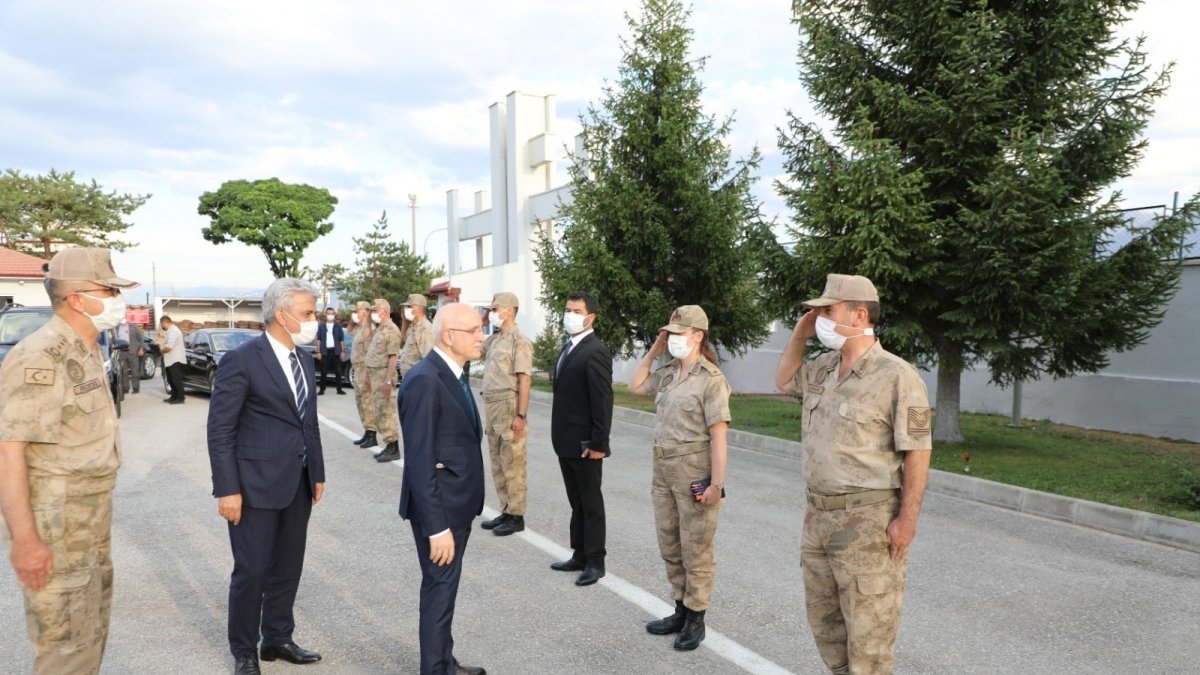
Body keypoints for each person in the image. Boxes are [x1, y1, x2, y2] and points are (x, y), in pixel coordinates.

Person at [774, 273, 932, 675]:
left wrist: (907, 520)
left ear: (859, 314)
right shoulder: (823, 368)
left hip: (868, 523)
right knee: (827, 627)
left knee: (869, 639)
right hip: (819, 518)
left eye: (828, 310)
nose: (819, 318)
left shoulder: (897, 376)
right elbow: (784, 380)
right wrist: (798, 337)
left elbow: (918, 451)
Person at [0, 248, 137, 675]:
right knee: (65, 648)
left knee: (90, 632)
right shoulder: (41, 354)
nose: (118, 299)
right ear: (77, 298)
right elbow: (8, 450)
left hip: (89, 517)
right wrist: (25, 541)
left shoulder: (86, 348)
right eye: (109, 290)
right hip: (57, 521)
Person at [207, 277, 327, 675]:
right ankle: (244, 650)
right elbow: (221, 430)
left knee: (288, 565)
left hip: (298, 480)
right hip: (253, 485)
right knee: (252, 570)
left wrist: (318, 473)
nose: (315, 320)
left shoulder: (303, 359)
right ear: (282, 314)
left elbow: (307, 422)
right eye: (308, 313)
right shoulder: (242, 361)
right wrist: (227, 489)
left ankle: (276, 638)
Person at [628, 305, 729, 651]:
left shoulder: (711, 379)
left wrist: (716, 484)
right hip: (663, 471)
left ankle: (696, 618)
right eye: (668, 333)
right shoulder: (669, 372)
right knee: (670, 543)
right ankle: (680, 608)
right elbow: (636, 384)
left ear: (697, 335)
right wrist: (654, 350)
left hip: (693, 472)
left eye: (678, 334)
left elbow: (718, 436)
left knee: (696, 548)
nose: (672, 339)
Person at [397, 303, 487, 675]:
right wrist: (437, 528)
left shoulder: (452, 374)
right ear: (449, 336)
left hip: (455, 505)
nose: (482, 336)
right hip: (441, 512)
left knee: (444, 590)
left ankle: (443, 660)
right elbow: (419, 462)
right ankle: (435, 669)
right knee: (439, 590)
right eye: (475, 330)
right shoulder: (425, 380)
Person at [548, 291, 613, 587]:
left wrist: (599, 444)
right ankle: (579, 553)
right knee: (576, 502)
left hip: (586, 444)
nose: (570, 315)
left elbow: (602, 402)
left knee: (590, 503)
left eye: (576, 310)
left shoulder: (595, 350)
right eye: (567, 309)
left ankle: (596, 561)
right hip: (566, 440)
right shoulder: (569, 347)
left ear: (591, 317)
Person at [478, 292, 533, 537]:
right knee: (498, 461)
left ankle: (517, 515)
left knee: (513, 461)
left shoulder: (518, 341)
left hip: (508, 404)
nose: (491, 312)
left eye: (495, 308)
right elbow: (475, 347)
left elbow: (524, 380)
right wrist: (480, 322)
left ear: (510, 309)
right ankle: (505, 509)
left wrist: (521, 414)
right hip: (491, 405)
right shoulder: (495, 339)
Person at [366, 298, 404, 462]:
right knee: (379, 411)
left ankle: (393, 447)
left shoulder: (391, 330)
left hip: (383, 375)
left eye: (376, 310)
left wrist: (388, 381)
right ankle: (388, 445)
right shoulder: (380, 329)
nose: (373, 314)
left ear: (385, 311)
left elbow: (393, 357)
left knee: (386, 412)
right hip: (375, 375)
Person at [348, 300, 377, 447]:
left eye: (357, 311)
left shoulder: (369, 328)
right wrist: (353, 319)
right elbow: (349, 329)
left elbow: (370, 354)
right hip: (357, 369)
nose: (354, 314)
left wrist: (368, 376)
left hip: (365, 370)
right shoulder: (360, 328)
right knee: (360, 402)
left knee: (367, 402)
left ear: (365, 312)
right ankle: (367, 431)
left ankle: (372, 433)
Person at [397, 293, 434, 380]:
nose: (406, 310)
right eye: (405, 307)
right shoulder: (413, 325)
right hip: (408, 377)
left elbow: (427, 358)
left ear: (420, 309)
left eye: (409, 307)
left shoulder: (425, 328)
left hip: (417, 378)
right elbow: (403, 338)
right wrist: (404, 321)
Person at [315, 306, 346, 395]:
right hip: (325, 351)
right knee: (323, 372)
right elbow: (319, 340)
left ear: (334, 315)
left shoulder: (338, 326)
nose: (330, 315)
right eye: (329, 314)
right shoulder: (322, 326)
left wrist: (342, 351)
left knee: (338, 371)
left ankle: (339, 389)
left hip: (336, 351)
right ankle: (322, 390)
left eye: (332, 314)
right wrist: (318, 352)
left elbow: (341, 339)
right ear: (326, 314)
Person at [159, 314, 185, 404]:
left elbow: (169, 347)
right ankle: (174, 396)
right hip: (170, 359)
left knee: (176, 379)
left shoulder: (174, 331)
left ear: (165, 322)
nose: (161, 326)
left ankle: (180, 398)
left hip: (175, 359)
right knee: (170, 379)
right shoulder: (169, 331)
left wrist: (162, 350)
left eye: (161, 324)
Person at [117, 318, 143, 393]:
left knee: (135, 371)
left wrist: (141, 349)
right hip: (121, 352)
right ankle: (125, 388)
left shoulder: (134, 327)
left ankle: (136, 388)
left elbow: (140, 339)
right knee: (123, 372)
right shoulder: (116, 328)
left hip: (133, 352)